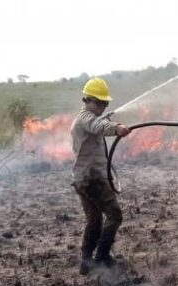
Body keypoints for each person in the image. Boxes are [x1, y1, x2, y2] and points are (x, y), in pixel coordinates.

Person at [71, 78, 130, 275]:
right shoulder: (85, 119)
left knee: (94, 220)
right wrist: (116, 128)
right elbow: (98, 125)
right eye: (101, 103)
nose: (103, 107)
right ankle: (102, 258)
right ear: (89, 100)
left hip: (82, 179)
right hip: (92, 180)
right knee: (114, 216)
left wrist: (107, 122)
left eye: (105, 104)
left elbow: (98, 124)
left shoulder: (87, 119)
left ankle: (86, 261)